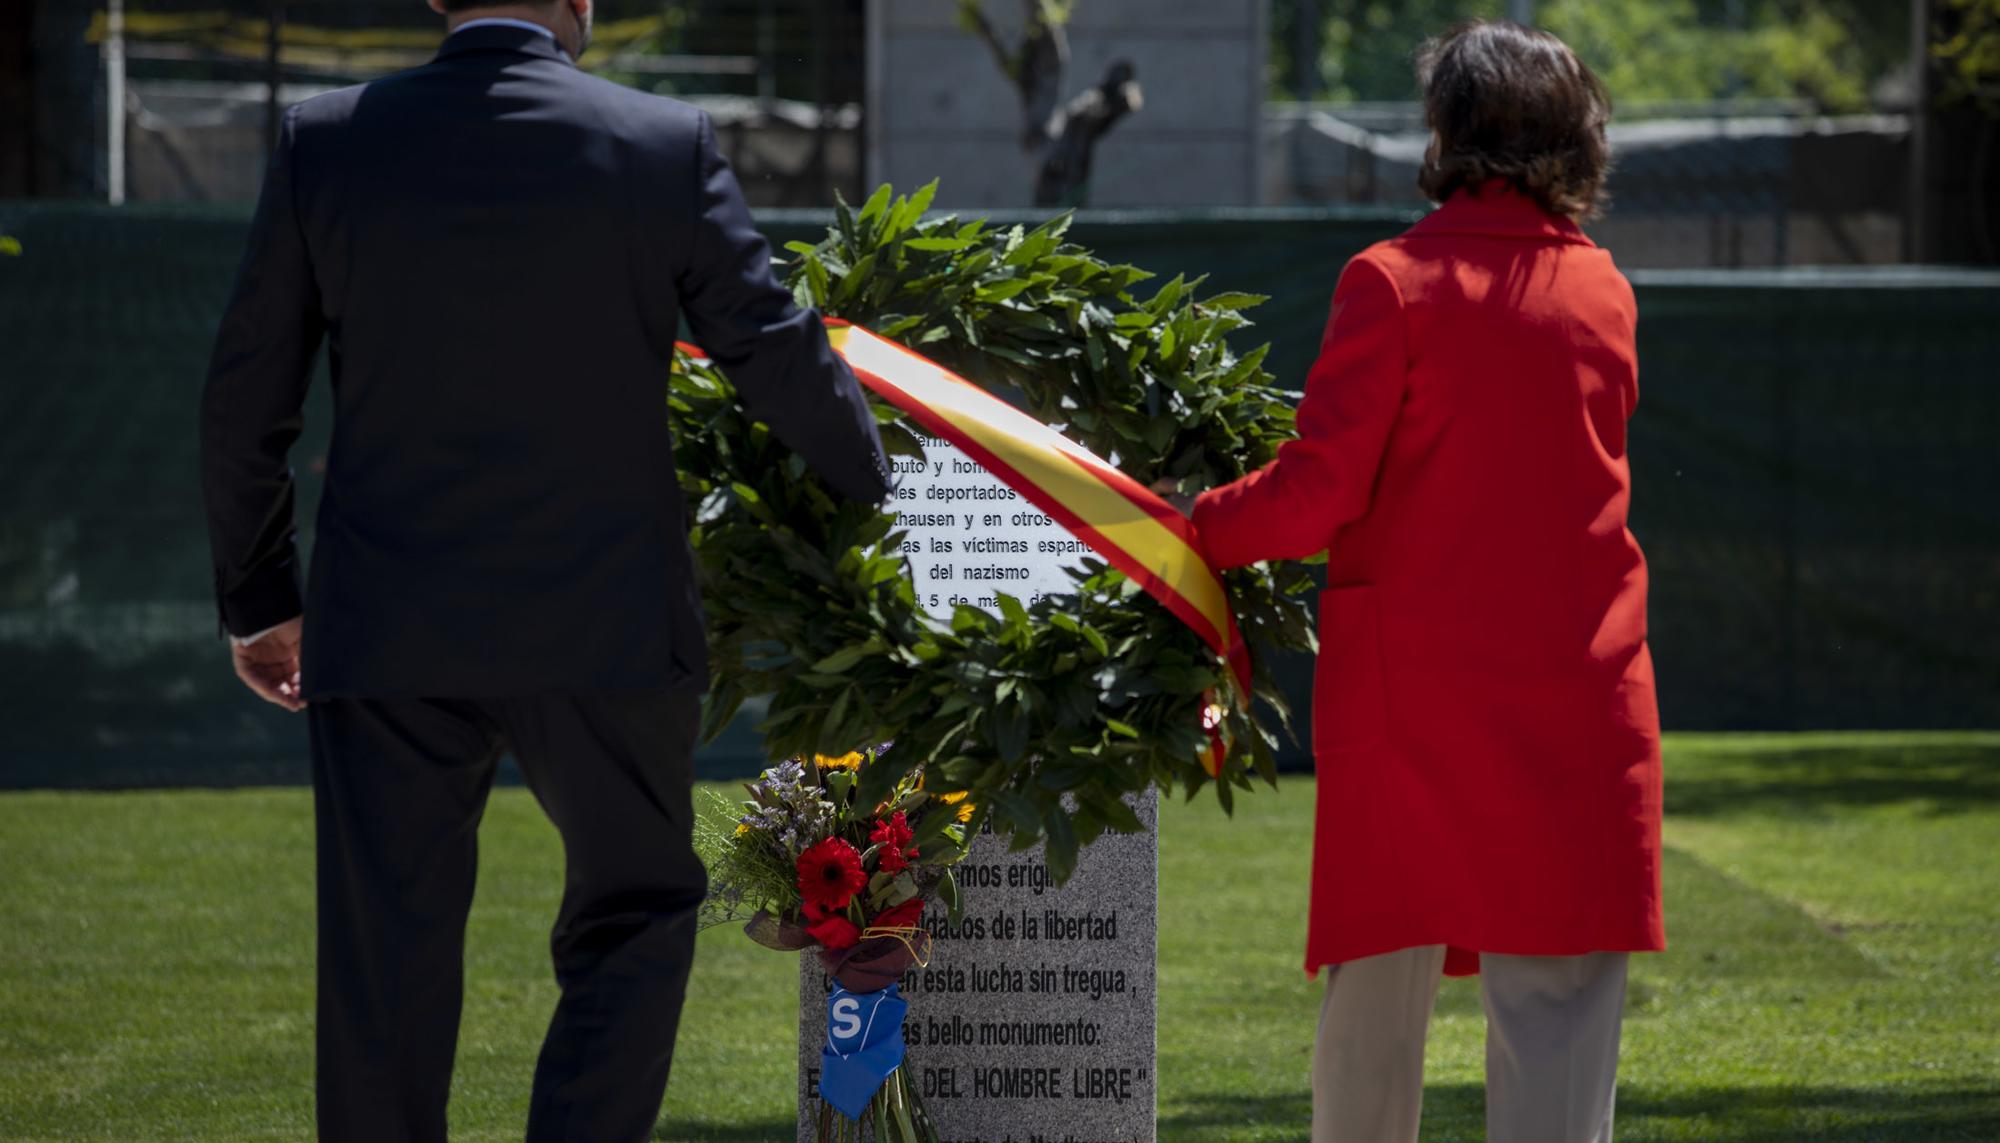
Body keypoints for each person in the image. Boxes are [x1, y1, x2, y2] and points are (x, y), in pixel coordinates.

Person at [197, 1, 891, 1139]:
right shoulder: (660, 143)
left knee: (385, 953)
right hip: (606, 615)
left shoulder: (327, 139)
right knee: (638, 912)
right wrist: (881, 489)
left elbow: (244, 399)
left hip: (389, 621)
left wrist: (262, 600)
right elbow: (769, 345)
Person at [1186, 21, 1663, 1143]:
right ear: (1573, 136)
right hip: (1578, 690)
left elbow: (1316, 495)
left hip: (1417, 706)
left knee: (1375, 995)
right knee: (1555, 1000)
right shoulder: (1603, 290)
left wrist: (1189, 526)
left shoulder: (1389, 283)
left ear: (1447, 132)